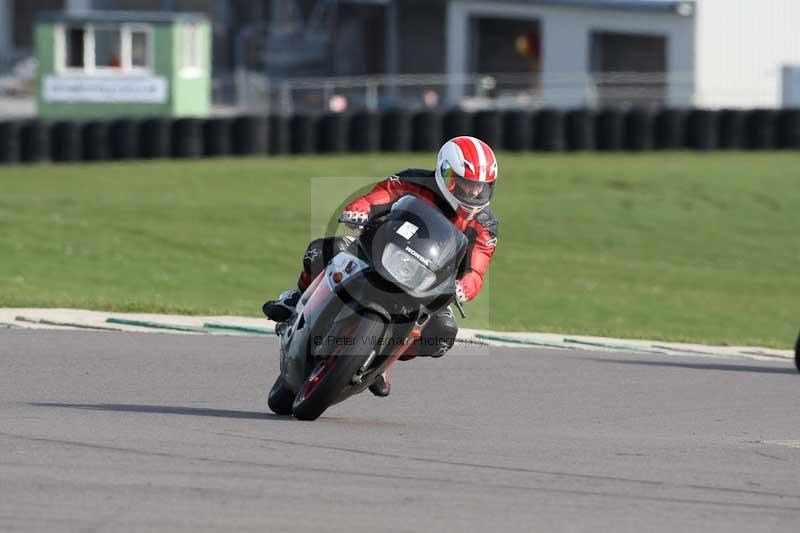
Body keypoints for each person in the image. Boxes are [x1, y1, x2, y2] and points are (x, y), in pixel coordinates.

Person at [263, 136, 499, 397]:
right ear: (445, 172)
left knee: (442, 334)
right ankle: (297, 299)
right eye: (465, 183)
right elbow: (381, 195)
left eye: (480, 187)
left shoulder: (485, 224)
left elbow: (478, 268)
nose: (472, 192)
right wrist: (359, 209)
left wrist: (464, 288)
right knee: (320, 251)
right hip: (381, 251)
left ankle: (383, 359)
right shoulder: (413, 181)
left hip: (429, 283)